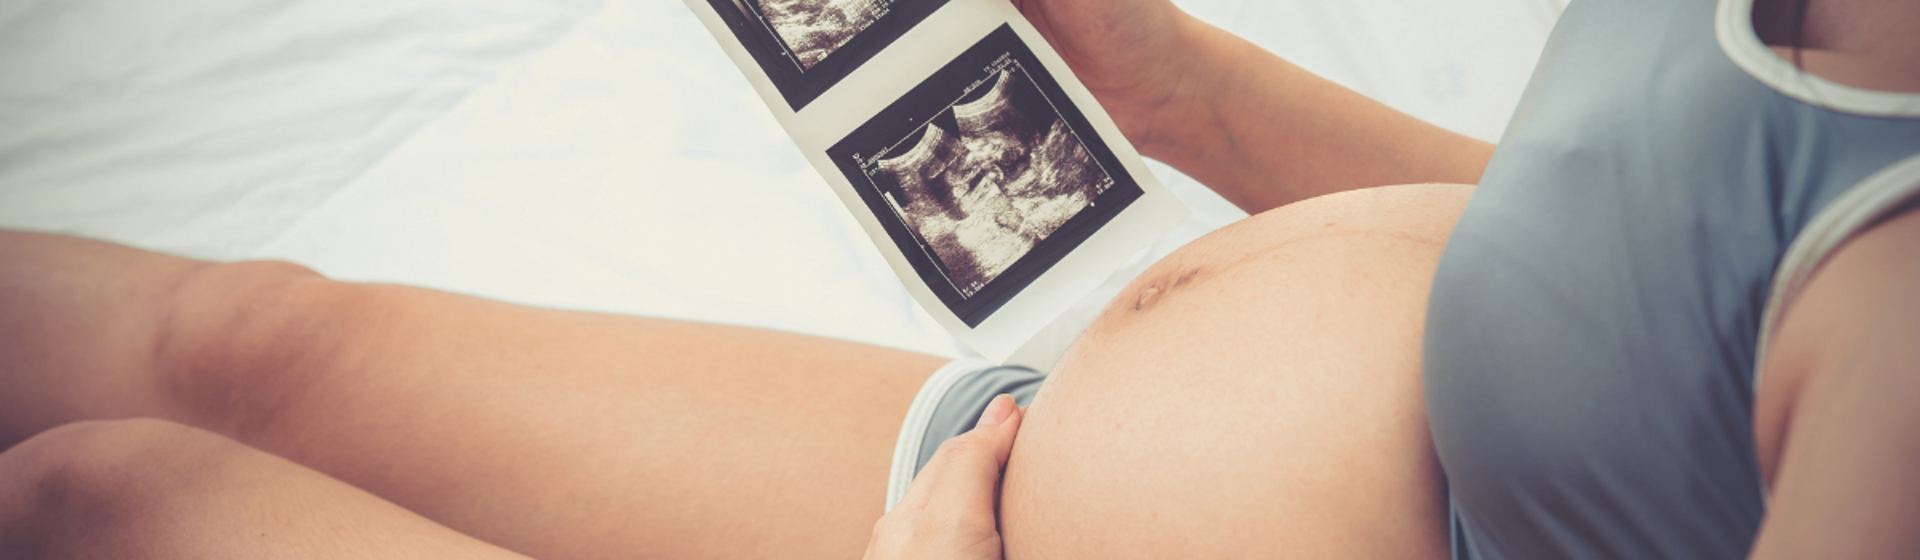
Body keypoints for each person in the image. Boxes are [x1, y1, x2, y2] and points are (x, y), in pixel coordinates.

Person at [1, 0, 1915, 558]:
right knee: (247, 337)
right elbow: (1671, 246)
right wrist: (1188, 89)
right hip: (1025, 452)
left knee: (114, 503)